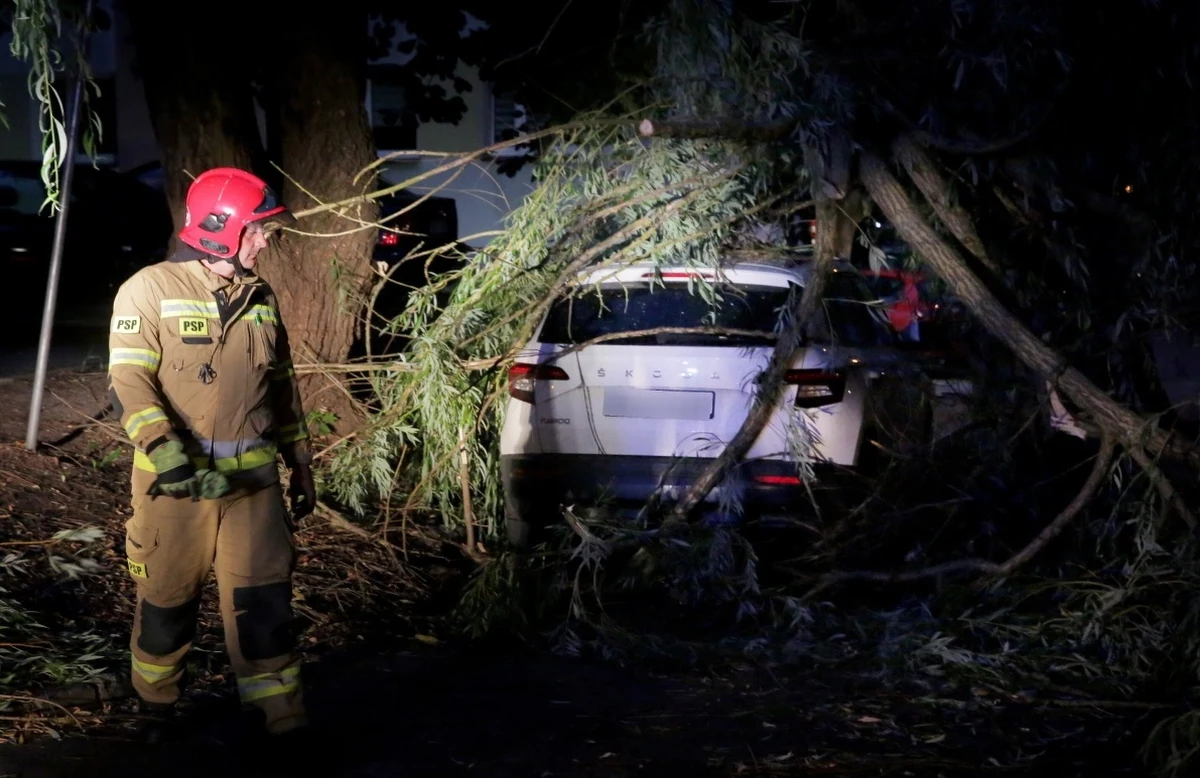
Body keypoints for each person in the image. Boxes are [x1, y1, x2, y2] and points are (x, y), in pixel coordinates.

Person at [107, 167, 317, 743]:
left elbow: (282, 385)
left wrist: (299, 463)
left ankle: (282, 717)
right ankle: (155, 705)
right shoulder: (147, 289)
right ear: (221, 228)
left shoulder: (261, 295)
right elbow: (129, 380)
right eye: (258, 230)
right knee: (167, 602)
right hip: (176, 488)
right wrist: (164, 451)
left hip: (253, 490)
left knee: (265, 606)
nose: (266, 240)